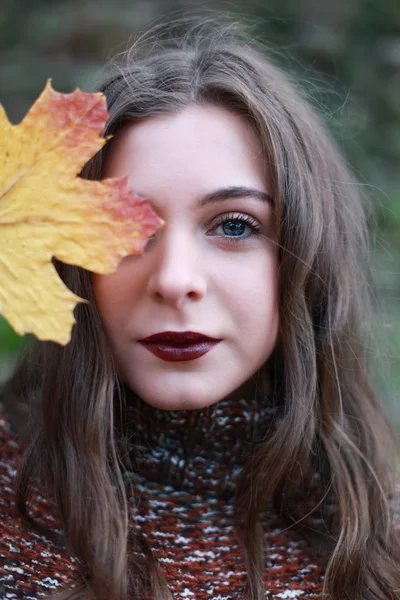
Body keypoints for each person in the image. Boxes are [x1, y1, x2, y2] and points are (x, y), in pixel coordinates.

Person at [0, 20, 399, 600]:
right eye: (125, 228)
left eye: (234, 226)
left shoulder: (378, 536)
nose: (175, 280)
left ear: (306, 258)